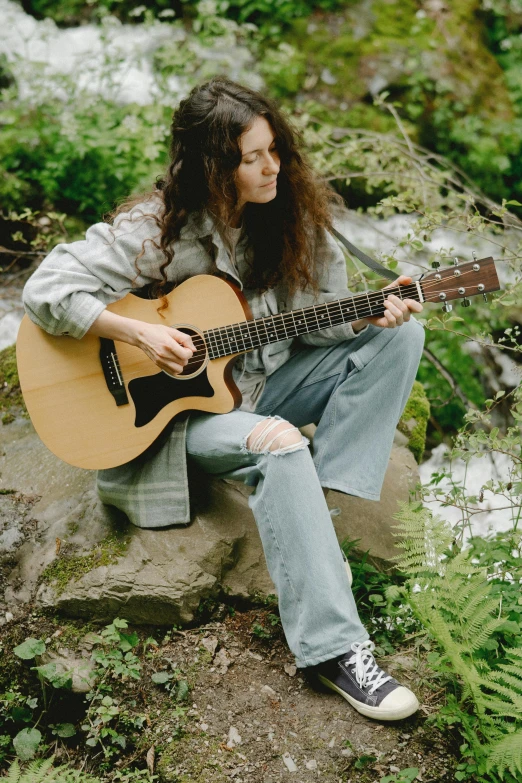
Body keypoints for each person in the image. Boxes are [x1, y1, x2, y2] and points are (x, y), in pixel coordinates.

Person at [22, 76, 425, 722]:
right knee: (279, 443)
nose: (274, 167)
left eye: (276, 149)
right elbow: (46, 288)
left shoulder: (293, 214)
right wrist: (141, 333)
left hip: (260, 385)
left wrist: (364, 317)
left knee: (403, 341)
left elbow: (314, 318)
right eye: (253, 157)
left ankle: (318, 517)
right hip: (174, 422)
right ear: (214, 166)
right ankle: (335, 651)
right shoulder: (155, 229)